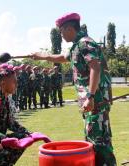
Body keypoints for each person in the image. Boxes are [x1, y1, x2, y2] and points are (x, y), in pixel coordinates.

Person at [31, 12, 116, 165]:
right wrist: (42, 56)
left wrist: (90, 96)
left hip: (95, 102)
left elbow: (95, 67)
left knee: (99, 144)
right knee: (95, 141)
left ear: (69, 28)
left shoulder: (84, 43)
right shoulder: (76, 47)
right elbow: (62, 58)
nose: (61, 35)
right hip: (92, 104)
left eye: (62, 31)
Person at [0, 67, 32, 165]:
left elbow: (11, 123)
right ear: (3, 82)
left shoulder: (5, 99)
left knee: (24, 138)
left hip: (0, 141)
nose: (17, 85)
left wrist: (28, 133)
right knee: (15, 143)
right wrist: (6, 139)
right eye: (14, 82)